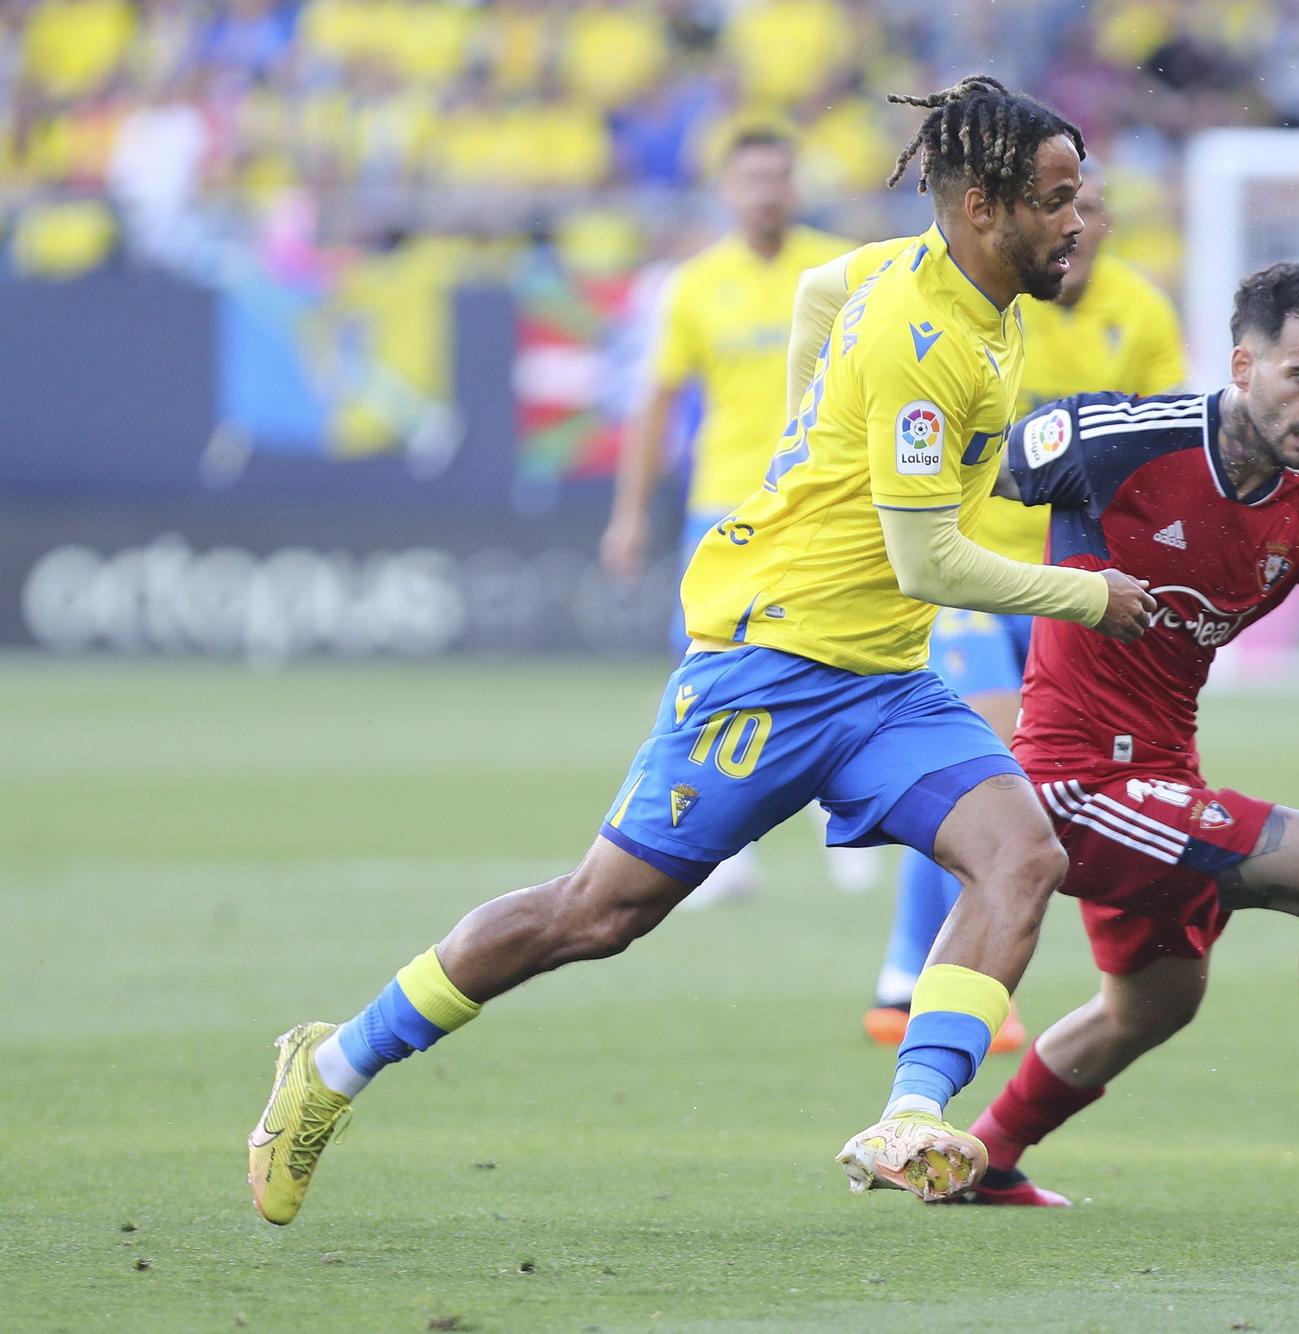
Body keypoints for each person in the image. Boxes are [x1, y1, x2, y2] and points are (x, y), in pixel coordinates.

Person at [245, 76, 1156, 1226]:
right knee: (595, 915)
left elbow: (819, 289)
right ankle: (330, 1065)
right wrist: (1086, 594)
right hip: (769, 670)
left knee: (1020, 854)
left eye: (1079, 196)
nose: (1078, 219)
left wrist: (797, 439)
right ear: (982, 206)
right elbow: (929, 562)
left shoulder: (948, 283)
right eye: (1057, 199)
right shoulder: (923, 335)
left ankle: (913, 1112)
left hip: (881, 681)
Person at [957, 262, 1299, 1205]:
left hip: (1162, 776)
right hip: (1069, 783)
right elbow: (949, 478)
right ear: (1241, 362)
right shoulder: (1113, 442)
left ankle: (980, 1159)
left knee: (1157, 1002)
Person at [859, 168, 1188, 1048]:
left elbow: (1157, 451)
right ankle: (953, 984)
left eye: (1086, 213)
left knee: (986, 778)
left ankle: (904, 977)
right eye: (1058, 211)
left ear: (1105, 225)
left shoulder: (1142, 313)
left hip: (1069, 579)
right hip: (968, 563)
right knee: (986, 765)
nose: (1072, 229)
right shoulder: (1001, 298)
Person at [598, 126, 870, 904]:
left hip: (821, 501)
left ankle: (841, 821)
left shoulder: (837, 269)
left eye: (778, 178)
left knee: (831, 656)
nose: (766, 193)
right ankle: (720, 848)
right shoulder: (692, 284)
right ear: (726, 190)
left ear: (797, 186)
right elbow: (656, 404)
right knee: (712, 674)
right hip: (726, 507)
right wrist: (629, 513)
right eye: (751, 179)